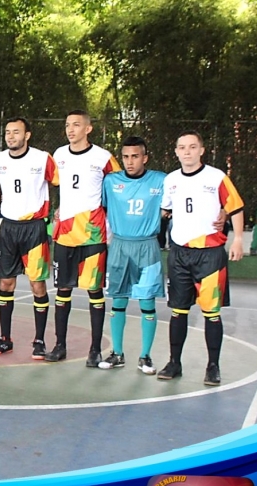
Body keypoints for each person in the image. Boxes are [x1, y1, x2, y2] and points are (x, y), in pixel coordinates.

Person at [158, 130, 244, 386]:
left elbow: (236, 207)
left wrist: (238, 238)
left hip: (210, 255)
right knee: (178, 311)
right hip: (180, 253)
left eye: (192, 147)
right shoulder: (171, 180)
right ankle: (174, 362)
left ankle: (213, 366)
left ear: (202, 150)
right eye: (182, 147)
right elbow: (165, 210)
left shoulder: (217, 177)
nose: (187, 151)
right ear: (176, 151)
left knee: (211, 313)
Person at [45, 110, 120, 366]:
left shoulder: (103, 157)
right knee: (62, 290)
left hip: (93, 234)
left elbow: (120, 187)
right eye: (67, 125)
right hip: (65, 233)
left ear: (88, 129)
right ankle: (60, 345)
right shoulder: (59, 155)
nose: (70, 129)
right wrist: (56, 210)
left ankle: (95, 349)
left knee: (94, 290)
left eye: (76, 125)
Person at [0, 117, 58, 358]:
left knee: (37, 285)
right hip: (8, 228)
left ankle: (39, 341)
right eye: (8, 132)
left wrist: (60, 210)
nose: (11, 136)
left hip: (34, 229)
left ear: (27, 135)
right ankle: (5, 339)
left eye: (16, 132)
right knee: (5, 283)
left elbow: (62, 183)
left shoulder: (42, 158)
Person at [98, 136, 166, 374]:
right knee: (118, 300)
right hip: (120, 246)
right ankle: (117, 353)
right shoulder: (110, 181)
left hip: (147, 246)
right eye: (126, 156)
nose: (129, 161)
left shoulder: (161, 180)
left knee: (147, 302)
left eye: (135, 156)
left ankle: (145, 357)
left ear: (145, 158)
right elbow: (98, 207)